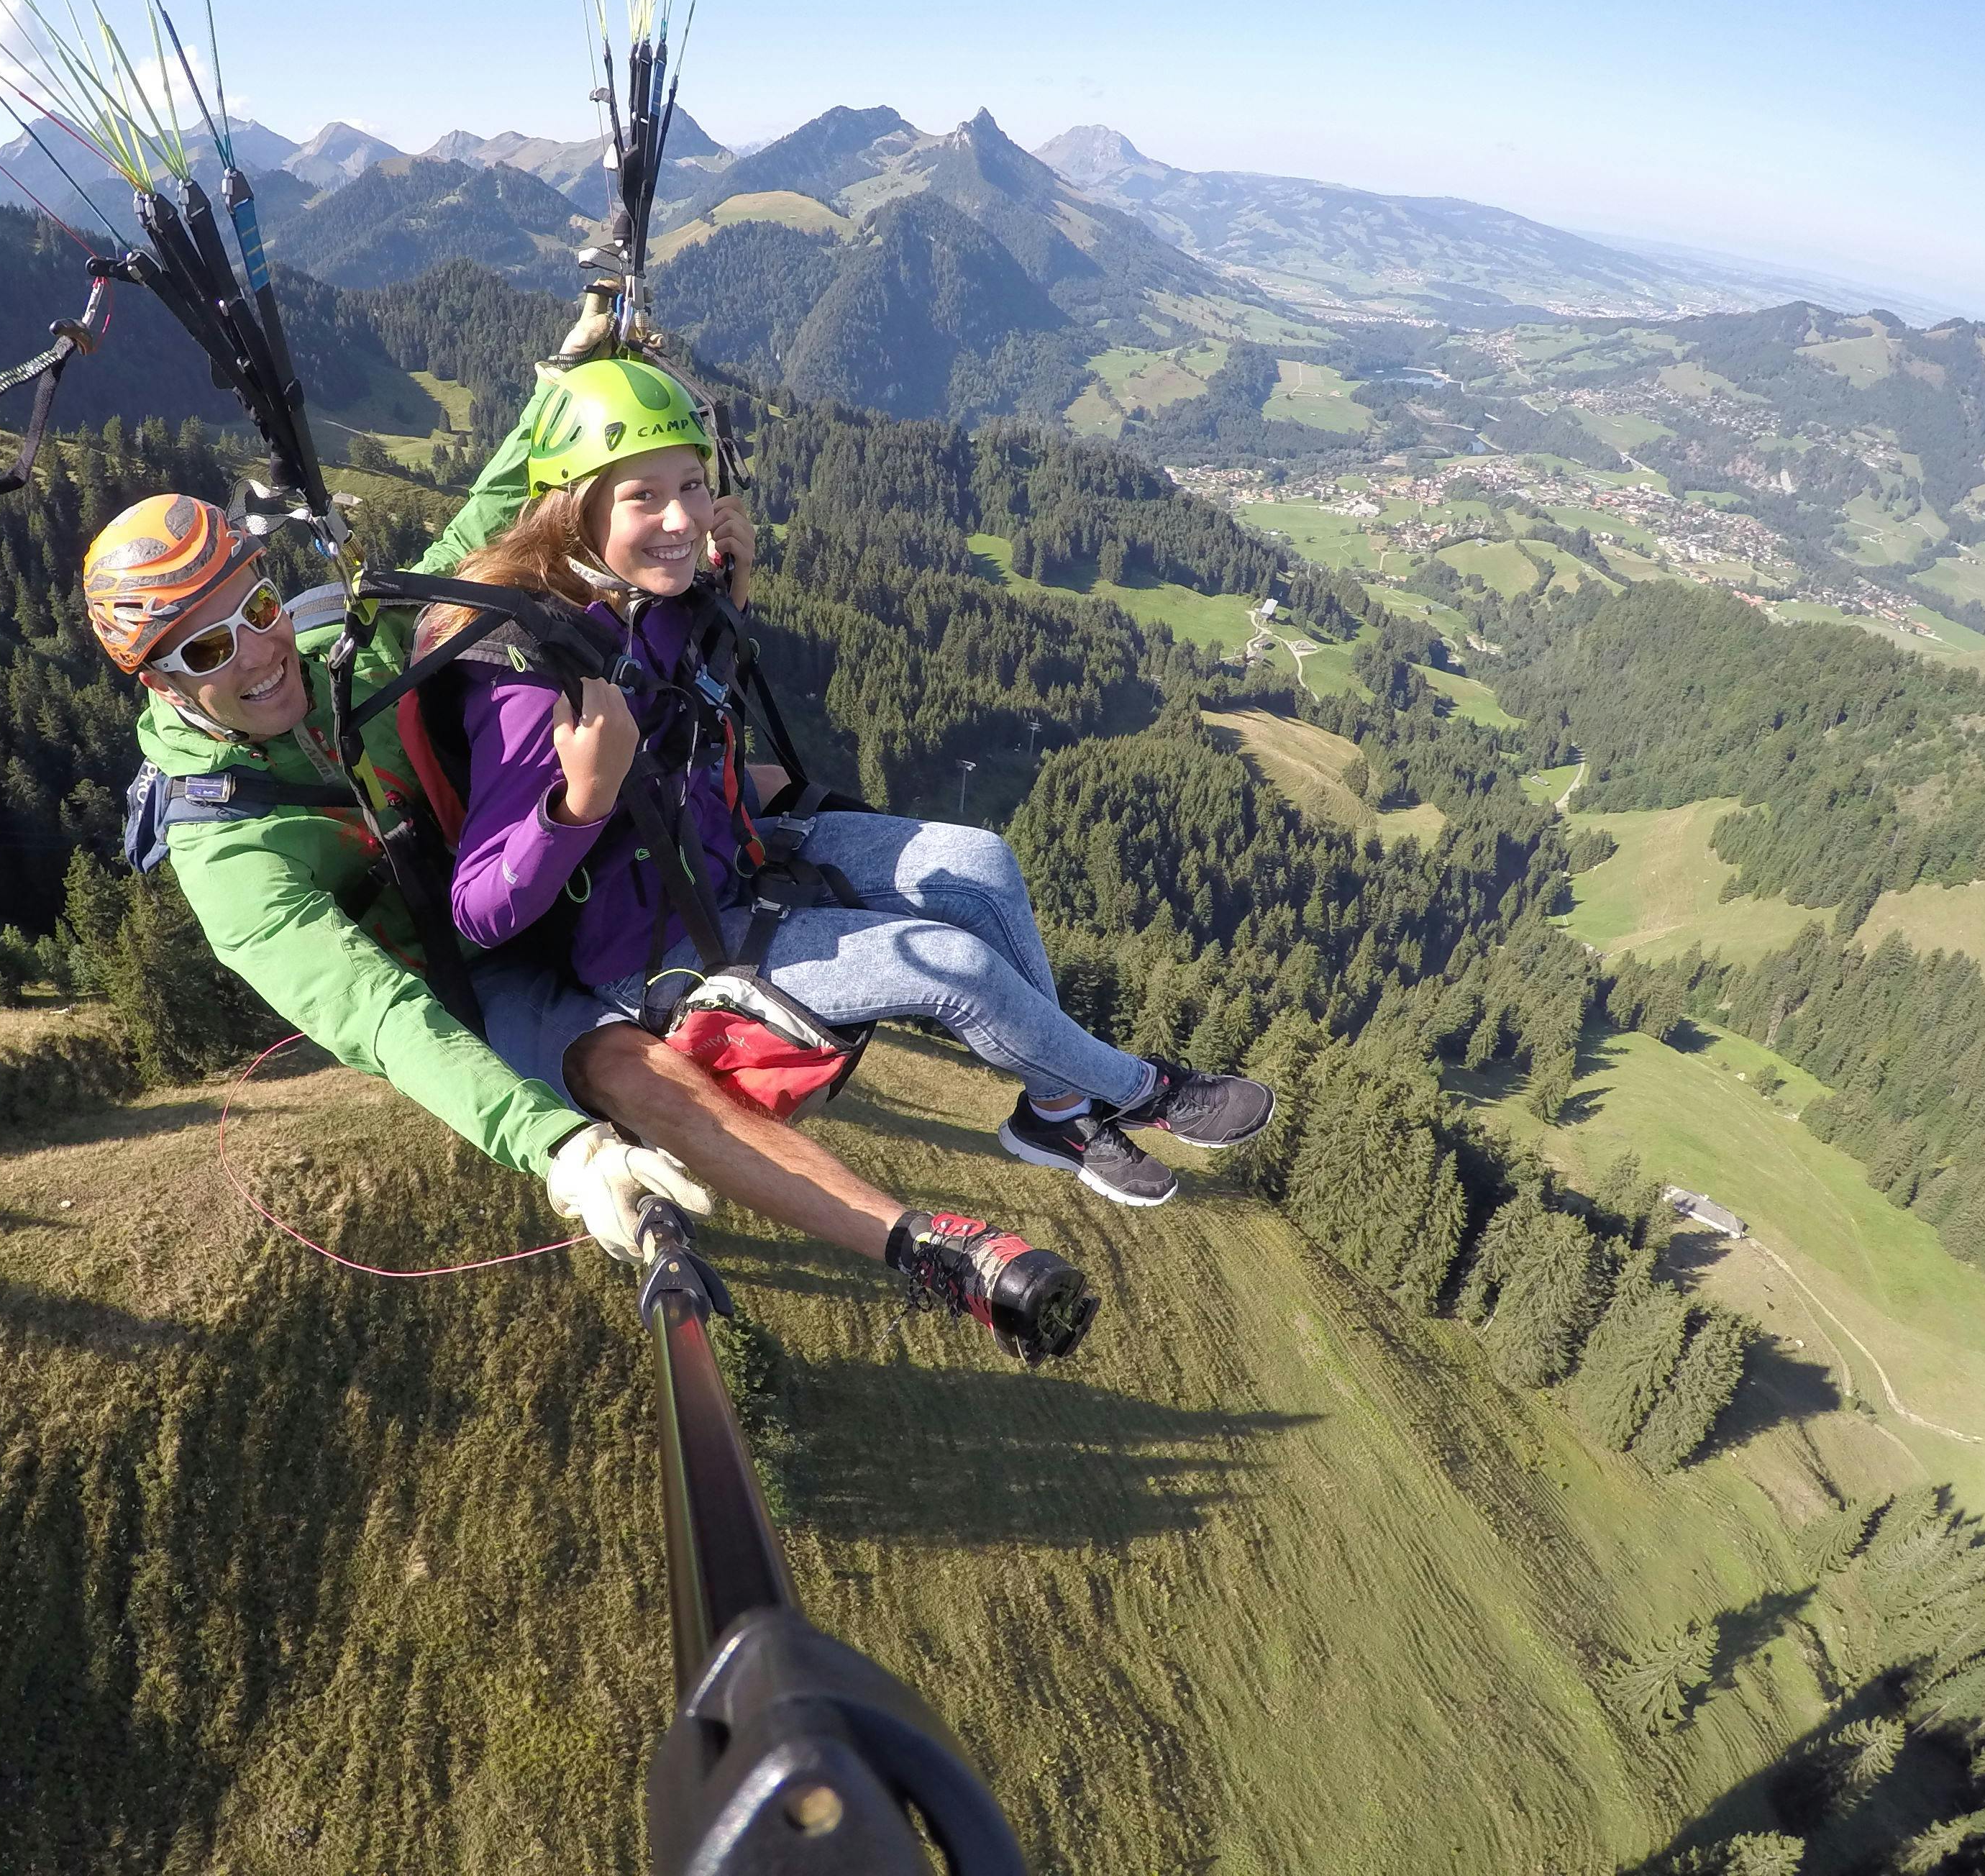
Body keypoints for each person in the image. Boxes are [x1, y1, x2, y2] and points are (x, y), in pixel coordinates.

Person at [94, 482, 1098, 1361]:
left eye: (260, 606)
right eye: (210, 647)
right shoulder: (230, 860)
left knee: (765, 788)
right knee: (628, 1071)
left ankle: (1061, 1094)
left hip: (542, 857)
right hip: (471, 969)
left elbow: (484, 531)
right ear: (159, 678)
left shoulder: (342, 641)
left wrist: (582, 386)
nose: (262, 651)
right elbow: (383, 1015)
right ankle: (934, 1251)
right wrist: (557, 1145)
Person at [431, 354, 1277, 1231]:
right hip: (651, 951)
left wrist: (731, 595)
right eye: (642, 497)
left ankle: (1056, 1116)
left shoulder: (643, 594)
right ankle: (1146, 1092)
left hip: (724, 851)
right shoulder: (535, 683)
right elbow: (477, 913)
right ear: (575, 512)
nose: (681, 517)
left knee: (979, 861)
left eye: (692, 483)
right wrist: (581, 801)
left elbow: (689, 705)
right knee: (954, 969)